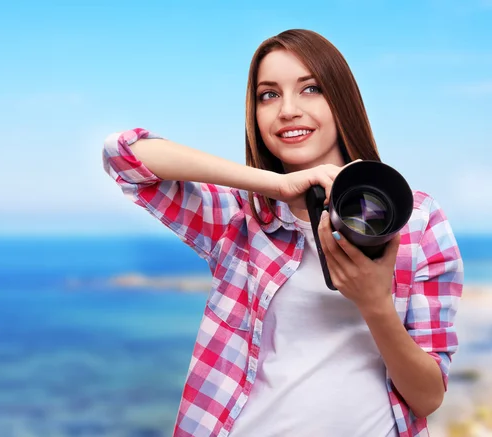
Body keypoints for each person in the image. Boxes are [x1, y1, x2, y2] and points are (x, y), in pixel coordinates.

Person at [101, 29, 463, 437]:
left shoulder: (417, 220)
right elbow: (123, 154)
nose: (287, 110)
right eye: (268, 95)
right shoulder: (239, 217)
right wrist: (271, 186)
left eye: (310, 89)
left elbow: (428, 396)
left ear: (342, 101)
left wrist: (375, 303)